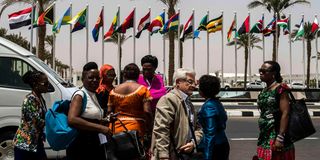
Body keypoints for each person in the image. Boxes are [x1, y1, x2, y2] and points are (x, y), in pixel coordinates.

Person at [151, 68, 203, 160]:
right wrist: (163, 156)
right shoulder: (168, 100)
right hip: (171, 155)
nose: (193, 85)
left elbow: (198, 128)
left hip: (184, 155)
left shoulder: (188, 103)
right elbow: (161, 129)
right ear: (178, 82)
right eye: (190, 82)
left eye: (194, 82)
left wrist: (193, 143)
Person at [67, 62, 112, 160]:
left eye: (97, 78)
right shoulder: (80, 95)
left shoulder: (93, 95)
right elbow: (72, 119)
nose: (95, 80)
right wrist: (100, 128)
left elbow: (90, 117)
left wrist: (104, 120)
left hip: (94, 143)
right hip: (82, 146)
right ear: (83, 79)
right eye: (91, 77)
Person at [255, 61, 294, 160]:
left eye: (264, 71)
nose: (261, 73)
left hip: (276, 134)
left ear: (274, 73)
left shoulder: (281, 89)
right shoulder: (264, 90)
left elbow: (285, 113)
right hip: (264, 135)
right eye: (260, 70)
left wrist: (280, 138)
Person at [108, 63, 153, 139]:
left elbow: (109, 112)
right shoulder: (142, 90)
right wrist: (150, 127)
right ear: (138, 75)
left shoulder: (113, 91)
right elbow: (147, 111)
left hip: (116, 129)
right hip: (136, 129)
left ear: (124, 75)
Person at [13, 70, 49, 160]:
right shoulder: (30, 99)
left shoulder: (40, 98)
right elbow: (36, 120)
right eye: (45, 83)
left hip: (35, 142)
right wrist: (53, 122)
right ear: (35, 84)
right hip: (25, 143)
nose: (48, 85)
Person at [198, 75, 229, 160]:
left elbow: (210, 133)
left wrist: (207, 156)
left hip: (215, 147)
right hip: (221, 143)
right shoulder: (216, 102)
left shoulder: (209, 106)